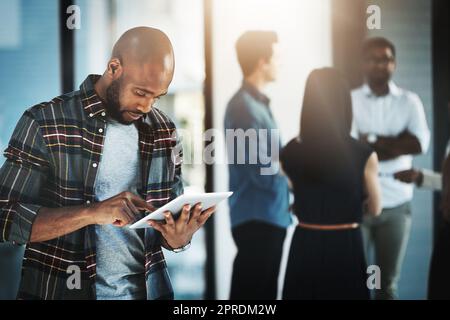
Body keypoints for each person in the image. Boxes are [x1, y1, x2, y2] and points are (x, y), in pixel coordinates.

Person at [0, 27, 215, 300]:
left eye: (156, 97)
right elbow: (4, 218)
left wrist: (178, 238)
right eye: (140, 92)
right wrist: (92, 212)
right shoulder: (45, 121)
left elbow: (166, 228)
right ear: (114, 67)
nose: (147, 106)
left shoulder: (164, 130)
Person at [281, 68, 381, 300]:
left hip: (305, 244)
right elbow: (376, 209)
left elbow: (298, 195)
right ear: (345, 103)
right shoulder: (364, 154)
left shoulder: (290, 152)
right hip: (346, 247)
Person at [351, 37, 430, 299]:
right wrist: (396, 142)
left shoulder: (409, 101)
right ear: (363, 63)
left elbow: (418, 144)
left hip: (397, 203)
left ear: (393, 64)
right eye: (374, 59)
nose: (380, 65)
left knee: (387, 285)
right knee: (355, 282)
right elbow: (352, 150)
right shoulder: (350, 100)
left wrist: (371, 141)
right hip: (361, 203)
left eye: (386, 59)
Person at [224, 31, 292, 299]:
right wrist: (294, 177)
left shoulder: (258, 105)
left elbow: (275, 160)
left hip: (270, 215)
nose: (280, 64)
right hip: (258, 218)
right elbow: (262, 169)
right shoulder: (244, 107)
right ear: (262, 61)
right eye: (276, 58)